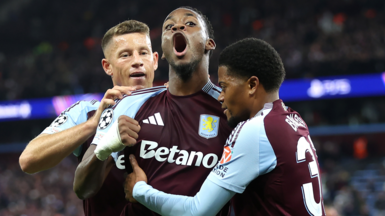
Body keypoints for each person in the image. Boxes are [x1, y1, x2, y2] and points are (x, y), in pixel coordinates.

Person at [125, 38, 326, 216]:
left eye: (225, 87)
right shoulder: (292, 119)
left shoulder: (255, 130)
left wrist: (140, 190)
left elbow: (197, 211)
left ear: (252, 85)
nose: (220, 96)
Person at [75, 6, 232, 216]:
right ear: (163, 53)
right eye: (169, 26)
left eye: (190, 23)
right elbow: (83, 188)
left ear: (209, 43)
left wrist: (141, 192)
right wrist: (104, 148)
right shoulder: (129, 104)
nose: (178, 26)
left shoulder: (230, 108)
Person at [20, 20, 161, 216]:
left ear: (154, 60)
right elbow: (29, 160)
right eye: (125, 55)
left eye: (143, 52)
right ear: (107, 66)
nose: (137, 60)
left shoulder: (178, 107)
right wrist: (94, 124)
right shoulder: (87, 111)